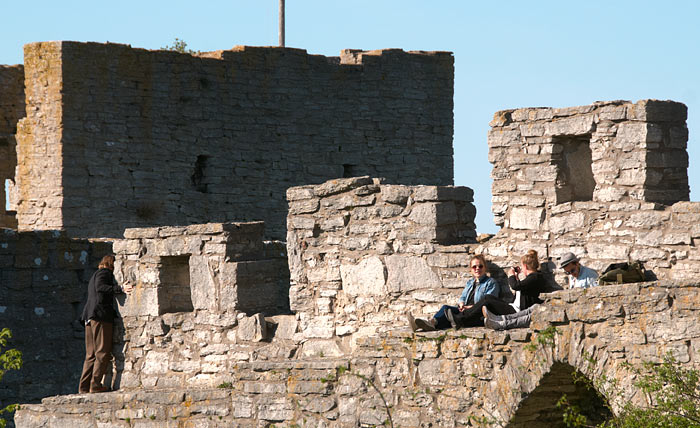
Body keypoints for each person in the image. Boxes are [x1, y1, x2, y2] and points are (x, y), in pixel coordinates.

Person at [447, 249, 548, 328]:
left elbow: (515, 286)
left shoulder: (535, 277)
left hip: (517, 311)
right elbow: (521, 289)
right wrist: (516, 277)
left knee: (488, 298)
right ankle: (462, 319)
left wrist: (511, 275)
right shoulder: (532, 278)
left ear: (525, 266)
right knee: (488, 300)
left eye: (521, 266)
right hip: (513, 307)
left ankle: (461, 319)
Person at [78, 255, 132, 393]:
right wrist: (120, 288)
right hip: (100, 316)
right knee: (102, 352)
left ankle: (83, 387)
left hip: (89, 317)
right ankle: (95, 385)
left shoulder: (95, 274)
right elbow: (101, 287)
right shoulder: (104, 273)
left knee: (90, 355)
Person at [407, 254, 499, 332]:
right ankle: (428, 324)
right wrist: (461, 303)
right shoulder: (470, 283)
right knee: (446, 309)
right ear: (471, 269)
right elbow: (463, 297)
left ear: (485, 268)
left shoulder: (491, 283)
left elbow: (488, 302)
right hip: (465, 311)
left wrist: (470, 307)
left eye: (480, 266)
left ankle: (429, 325)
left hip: (477, 314)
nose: (477, 269)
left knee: (451, 318)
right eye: (474, 267)